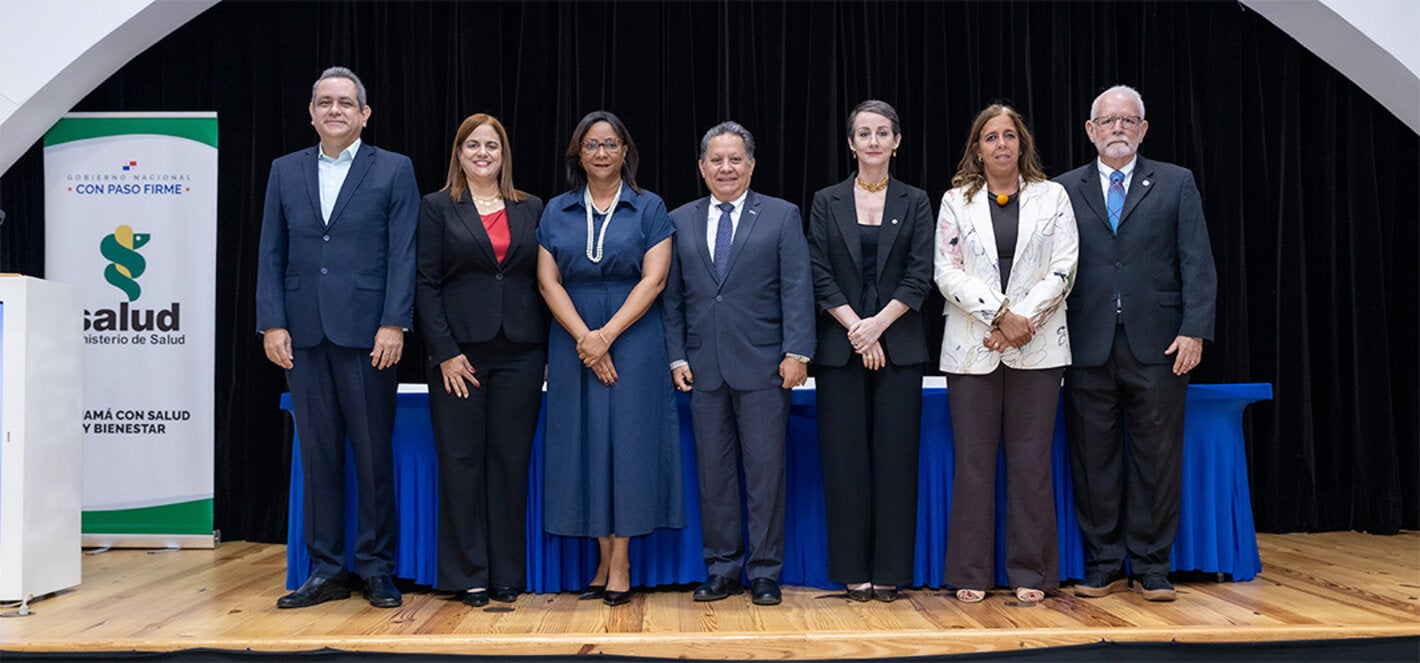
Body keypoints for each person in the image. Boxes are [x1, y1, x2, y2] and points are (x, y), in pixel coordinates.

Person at [256, 66, 418, 609]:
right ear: (310, 111)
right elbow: (270, 252)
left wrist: (394, 322)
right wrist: (271, 322)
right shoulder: (284, 170)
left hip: (370, 334)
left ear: (364, 114)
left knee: (373, 456)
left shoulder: (394, 170)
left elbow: (403, 253)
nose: (334, 110)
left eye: (345, 103)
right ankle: (326, 569)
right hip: (301, 333)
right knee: (318, 454)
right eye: (324, 101)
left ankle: (376, 568)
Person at [1056, 85, 1217, 602]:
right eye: (1108, 121)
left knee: (1157, 456)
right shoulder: (1062, 189)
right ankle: (1103, 561)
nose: (1118, 129)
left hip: (1161, 344)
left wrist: (1194, 328)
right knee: (1092, 456)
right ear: (1090, 131)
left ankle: (1151, 564)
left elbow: (1196, 261)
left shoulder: (1175, 183)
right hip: (1086, 344)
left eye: (1128, 120)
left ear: (1143, 129)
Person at [662, 121, 815, 607]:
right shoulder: (679, 219)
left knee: (766, 473)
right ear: (702, 167)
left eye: (735, 159)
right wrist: (676, 356)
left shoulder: (781, 215)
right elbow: (672, 299)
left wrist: (798, 353)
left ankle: (765, 571)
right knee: (715, 474)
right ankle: (722, 569)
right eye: (716, 160)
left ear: (750, 165)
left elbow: (796, 287)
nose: (725, 168)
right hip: (703, 368)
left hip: (766, 367)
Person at [536, 110, 682, 607]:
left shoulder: (649, 206)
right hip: (572, 335)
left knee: (629, 448)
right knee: (586, 446)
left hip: (635, 338)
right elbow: (547, 281)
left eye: (610, 144)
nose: (601, 153)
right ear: (579, 152)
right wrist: (584, 337)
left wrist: (607, 335)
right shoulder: (557, 209)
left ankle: (621, 564)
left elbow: (655, 279)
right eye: (592, 145)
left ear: (626, 151)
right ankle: (601, 560)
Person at [934, 104, 1078, 604]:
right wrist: (1000, 316)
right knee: (973, 465)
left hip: (1039, 351)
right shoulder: (956, 201)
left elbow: (1064, 269)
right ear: (978, 147)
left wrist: (1021, 322)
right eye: (990, 137)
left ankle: (1030, 573)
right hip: (971, 350)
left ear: (1022, 145)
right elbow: (947, 272)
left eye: (1009, 136)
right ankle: (971, 572)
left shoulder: (1052, 196)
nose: (1001, 144)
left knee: (1030, 464)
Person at [416, 114, 546, 608]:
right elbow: (424, 283)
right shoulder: (436, 208)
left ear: (503, 153)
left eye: (492, 145)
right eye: (473, 145)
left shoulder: (530, 207)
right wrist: (445, 352)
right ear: (459, 153)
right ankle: (467, 574)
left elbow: (544, 282)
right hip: (459, 357)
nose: (483, 153)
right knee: (461, 462)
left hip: (522, 353)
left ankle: (506, 574)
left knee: (510, 463)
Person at [807, 100, 933, 603]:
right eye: (864, 133)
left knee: (896, 462)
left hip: (899, 346)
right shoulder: (826, 200)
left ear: (897, 141)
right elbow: (818, 272)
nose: (874, 141)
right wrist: (857, 328)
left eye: (883, 132)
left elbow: (920, 273)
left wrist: (878, 326)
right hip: (840, 348)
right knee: (844, 464)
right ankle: (851, 569)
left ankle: (890, 571)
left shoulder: (918, 200)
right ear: (851, 143)